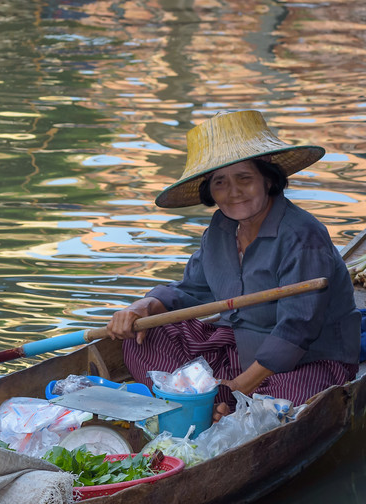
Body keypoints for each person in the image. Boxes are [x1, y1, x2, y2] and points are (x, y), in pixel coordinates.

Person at [105, 110, 359, 420]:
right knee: (144, 337)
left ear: (268, 179)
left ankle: (211, 405)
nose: (234, 191)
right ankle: (204, 405)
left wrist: (237, 388)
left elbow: (297, 330)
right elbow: (191, 291)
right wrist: (143, 307)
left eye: (244, 178)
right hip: (236, 348)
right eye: (220, 182)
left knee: (282, 405)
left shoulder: (303, 236)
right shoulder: (220, 229)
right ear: (209, 191)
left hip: (306, 360)